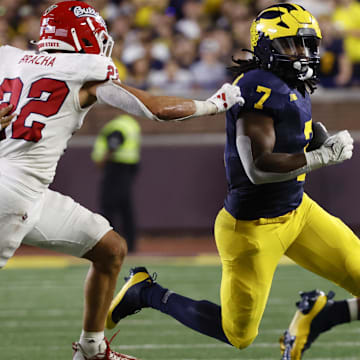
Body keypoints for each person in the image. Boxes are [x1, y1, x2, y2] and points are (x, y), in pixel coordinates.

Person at [104, 4, 360, 360]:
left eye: (307, 44)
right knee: (238, 334)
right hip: (253, 229)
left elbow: (284, 137)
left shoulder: (290, 81)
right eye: (293, 45)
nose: (304, 53)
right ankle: (145, 292)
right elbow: (258, 167)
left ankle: (319, 317)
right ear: (268, 46)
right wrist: (321, 157)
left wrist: (312, 141)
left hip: (298, 212)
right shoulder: (258, 86)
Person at [0, 2, 244, 360]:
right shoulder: (85, 68)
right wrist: (213, 104)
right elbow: (156, 108)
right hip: (11, 197)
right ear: (80, 35)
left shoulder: (10, 58)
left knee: (110, 249)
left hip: (30, 194)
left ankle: (92, 348)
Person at [91, 115, 141, 253]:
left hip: (115, 168)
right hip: (128, 169)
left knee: (108, 207)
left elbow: (114, 143)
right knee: (125, 208)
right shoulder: (131, 124)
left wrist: (103, 159)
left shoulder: (117, 125)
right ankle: (130, 244)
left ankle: (110, 244)